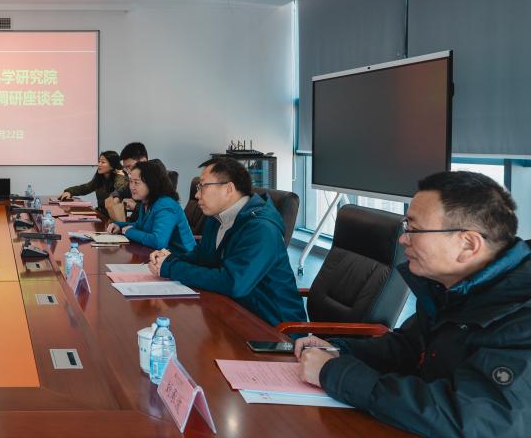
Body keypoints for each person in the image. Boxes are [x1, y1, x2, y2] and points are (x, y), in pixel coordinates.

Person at [296, 171, 530, 437]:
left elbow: (469, 419)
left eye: (414, 230)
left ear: (468, 244)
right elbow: (408, 347)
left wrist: (335, 373)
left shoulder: (521, 318)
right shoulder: (451, 288)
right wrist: (339, 350)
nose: (402, 239)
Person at [148, 157, 305, 327]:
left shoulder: (261, 229)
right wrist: (170, 259)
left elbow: (233, 282)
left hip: (274, 328)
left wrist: (171, 268)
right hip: (235, 312)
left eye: (202, 186)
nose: (196, 195)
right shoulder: (216, 218)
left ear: (229, 189)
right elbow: (202, 257)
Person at [106, 160, 195, 255]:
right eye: (131, 182)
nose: (132, 187)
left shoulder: (166, 205)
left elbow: (158, 242)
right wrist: (119, 225)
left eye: (136, 183)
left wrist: (129, 232)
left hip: (183, 258)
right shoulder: (147, 201)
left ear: (151, 183)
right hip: (160, 256)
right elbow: (140, 225)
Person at [58, 151, 128, 213]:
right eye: (99, 161)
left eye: (103, 162)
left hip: (114, 216)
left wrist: (120, 175)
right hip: (101, 213)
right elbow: (86, 188)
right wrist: (70, 191)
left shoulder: (120, 177)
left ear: (112, 165)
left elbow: (120, 190)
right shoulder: (100, 177)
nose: (99, 164)